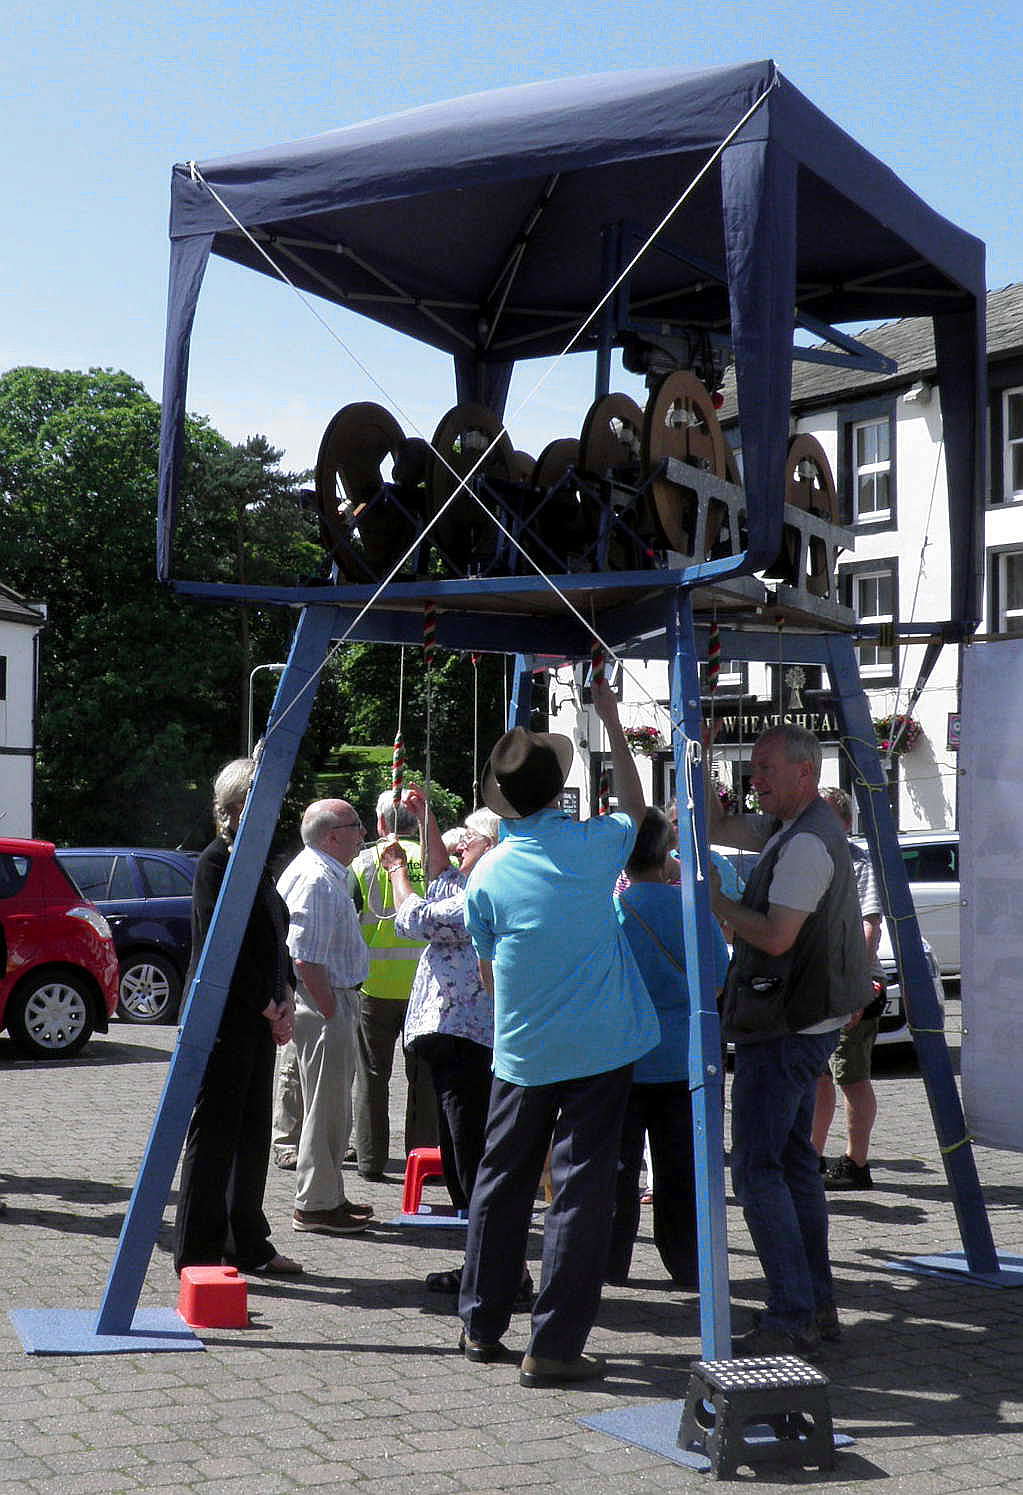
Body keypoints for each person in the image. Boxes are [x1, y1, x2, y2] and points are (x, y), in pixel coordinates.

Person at [458, 677, 660, 1388]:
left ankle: (481, 1322)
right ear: (555, 791)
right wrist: (609, 716)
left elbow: (487, 973)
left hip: (521, 1050)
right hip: (600, 1045)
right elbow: (640, 812)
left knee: (501, 1179)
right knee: (580, 1190)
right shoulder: (589, 845)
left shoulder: (483, 874)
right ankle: (553, 1346)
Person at [708, 724, 873, 1355]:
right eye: (752, 766)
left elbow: (776, 937)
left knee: (756, 1172)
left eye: (766, 768)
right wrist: (697, 748)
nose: (756, 778)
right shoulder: (792, 828)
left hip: (784, 1029)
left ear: (805, 772)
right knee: (795, 1164)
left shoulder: (805, 843)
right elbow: (714, 825)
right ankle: (815, 1304)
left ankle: (792, 1311)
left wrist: (716, 901)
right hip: (800, 1025)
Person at [383, 794, 530, 1301]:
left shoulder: (483, 895)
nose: (459, 844)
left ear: (492, 846)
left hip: (466, 1039)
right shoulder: (468, 880)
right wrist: (425, 819)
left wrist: (398, 872)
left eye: (470, 838)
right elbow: (442, 871)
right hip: (450, 1039)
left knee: (471, 1157)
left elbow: (416, 919)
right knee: (459, 1153)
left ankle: (500, 1273)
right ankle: (487, 1263)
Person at [173, 758, 302, 1277]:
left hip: (257, 1015)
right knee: (214, 1135)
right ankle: (198, 1253)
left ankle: (247, 1242)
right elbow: (220, 947)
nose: (274, 815)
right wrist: (264, 1002)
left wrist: (286, 991)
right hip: (222, 1019)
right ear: (232, 809)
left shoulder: (259, 866)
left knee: (251, 1134)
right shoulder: (215, 863)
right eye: (263, 802)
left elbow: (273, 938)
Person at [607, 808, 729, 1287]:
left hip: (622, 1056)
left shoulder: (609, 912)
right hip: (684, 1057)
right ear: (664, 854)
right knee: (683, 1169)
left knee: (615, 1169)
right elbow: (717, 982)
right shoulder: (690, 910)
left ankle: (610, 1261)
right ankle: (687, 1264)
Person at [277, 800, 374, 1236]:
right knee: (326, 1105)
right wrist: (331, 1009)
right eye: (356, 826)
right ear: (332, 835)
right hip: (324, 1001)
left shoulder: (325, 872)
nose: (364, 833)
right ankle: (316, 1204)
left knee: (331, 1106)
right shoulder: (317, 879)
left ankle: (328, 1195)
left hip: (328, 999)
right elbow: (304, 957)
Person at [350, 790, 439, 1181]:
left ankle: (370, 1161)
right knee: (424, 1080)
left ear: (381, 823)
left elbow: (347, 921)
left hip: (373, 988)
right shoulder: (434, 859)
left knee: (371, 1077)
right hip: (424, 991)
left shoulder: (363, 863)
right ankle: (423, 1160)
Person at [812, 787, 885, 1190]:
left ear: (844, 823)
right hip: (814, 990)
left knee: (850, 1075)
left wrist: (853, 983)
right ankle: (812, 1157)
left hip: (851, 987)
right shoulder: (807, 858)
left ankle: (856, 1164)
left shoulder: (859, 863)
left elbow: (868, 929)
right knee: (818, 1075)